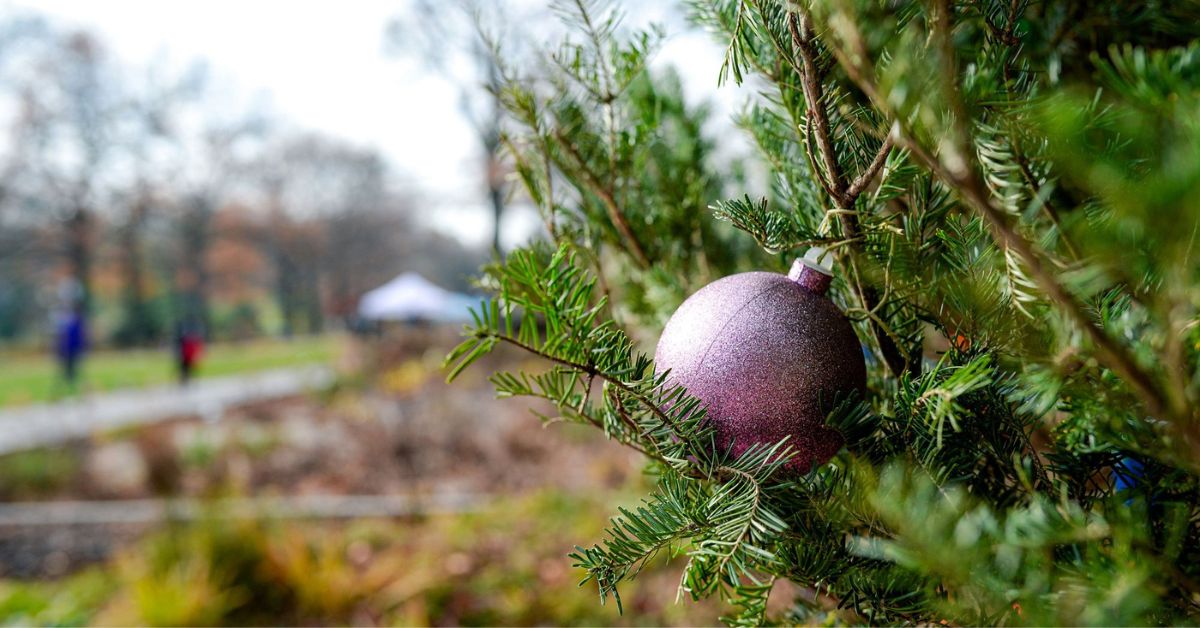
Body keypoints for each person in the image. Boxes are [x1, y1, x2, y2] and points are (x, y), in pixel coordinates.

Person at [55, 305, 87, 393]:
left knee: (70, 374)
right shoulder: (75, 323)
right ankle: (61, 392)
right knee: (69, 374)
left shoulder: (73, 323)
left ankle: (61, 392)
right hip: (71, 352)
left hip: (71, 352)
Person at [175, 319, 204, 384]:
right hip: (185, 356)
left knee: (187, 369)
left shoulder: (187, 339)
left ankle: (186, 380)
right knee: (186, 369)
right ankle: (185, 380)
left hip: (187, 356)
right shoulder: (188, 339)